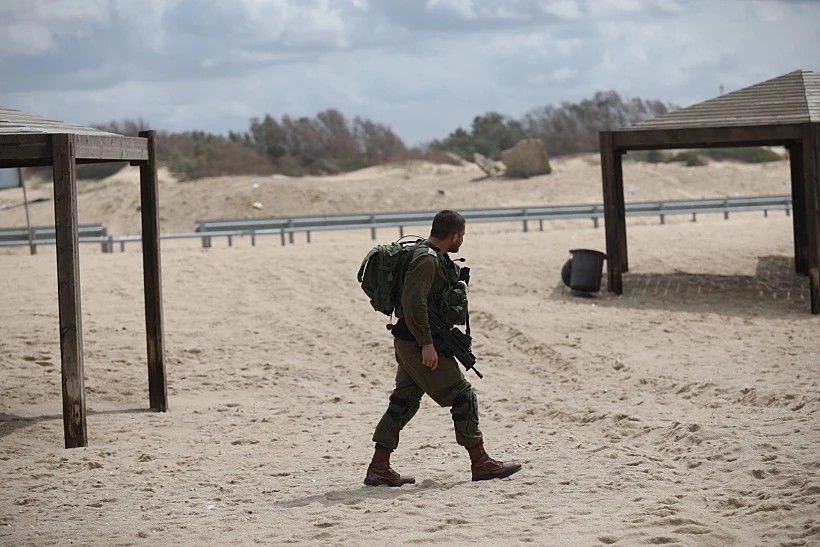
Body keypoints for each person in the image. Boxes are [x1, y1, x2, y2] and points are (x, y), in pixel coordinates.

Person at [364, 210, 522, 486]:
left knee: (404, 401)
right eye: (462, 235)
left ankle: (379, 467)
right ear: (454, 235)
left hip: (408, 340)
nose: (462, 240)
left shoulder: (425, 253)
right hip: (418, 343)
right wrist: (427, 344)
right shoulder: (427, 259)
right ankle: (480, 462)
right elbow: (414, 303)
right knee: (462, 395)